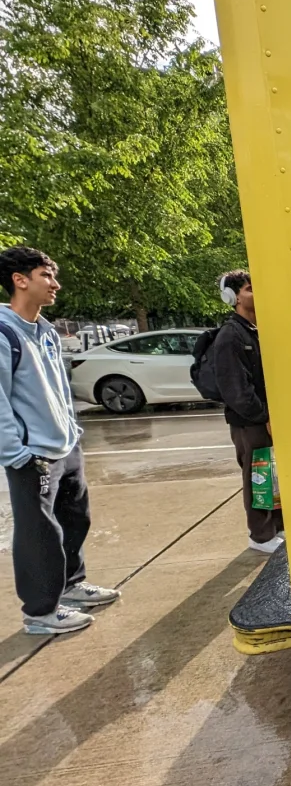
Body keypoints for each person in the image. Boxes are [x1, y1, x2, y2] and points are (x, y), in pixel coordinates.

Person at [0, 247, 119, 636]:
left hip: (66, 445)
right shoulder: (4, 333)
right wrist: (16, 453)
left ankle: (71, 586)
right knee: (39, 534)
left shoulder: (46, 331)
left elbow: (57, 390)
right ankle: (41, 612)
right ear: (20, 280)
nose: (55, 284)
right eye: (46, 276)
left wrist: (73, 431)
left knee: (75, 518)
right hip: (33, 454)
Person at [212, 270, 284, 554]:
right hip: (249, 422)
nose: (257, 294)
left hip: (264, 418)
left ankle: (276, 527)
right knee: (258, 476)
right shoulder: (230, 335)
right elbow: (236, 389)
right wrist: (263, 417)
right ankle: (261, 535)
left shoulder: (254, 330)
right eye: (250, 289)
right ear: (233, 297)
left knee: (272, 473)